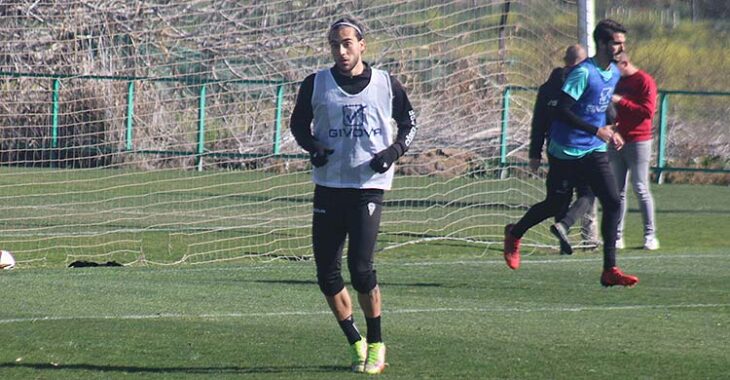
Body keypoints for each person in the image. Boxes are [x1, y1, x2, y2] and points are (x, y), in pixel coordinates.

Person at [289, 16, 417, 375]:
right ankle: (355, 341)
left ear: (362, 44)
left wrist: (391, 154)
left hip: (367, 188)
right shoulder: (316, 83)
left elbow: (409, 123)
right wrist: (312, 146)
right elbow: (298, 124)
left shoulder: (385, 84)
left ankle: (377, 344)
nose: (342, 50)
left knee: (361, 268)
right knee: (326, 274)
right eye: (335, 44)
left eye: (348, 43)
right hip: (329, 187)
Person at [503, 19, 639, 287]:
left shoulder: (612, 73)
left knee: (612, 201)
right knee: (554, 204)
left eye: (623, 42)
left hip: (593, 149)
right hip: (565, 149)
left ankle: (609, 269)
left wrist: (612, 130)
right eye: (616, 42)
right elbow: (560, 111)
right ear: (601, 43)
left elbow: (601, 108)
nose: (621, 47)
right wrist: (596, 130)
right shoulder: (583, 73)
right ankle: (515, 233)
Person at [528, 44, 599, 255]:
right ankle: (572, 230)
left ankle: (564, 238)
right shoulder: (583, 80)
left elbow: (538, 123)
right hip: (580, 147)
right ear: (583, 61)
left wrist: (535, 153)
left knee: (561, 195)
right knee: (588, 192)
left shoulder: (547, 87)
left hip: (555, 149)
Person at [610, 52, 659, 250]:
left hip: (639, 141)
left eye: (615, 67)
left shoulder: (644, 81)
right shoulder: (614, 81)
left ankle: (650, 235)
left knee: (640, 187)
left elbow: (647, 111)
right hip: (616, 140)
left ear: (624, 63)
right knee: (617, 191)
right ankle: (617, 235)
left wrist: (621, 101)